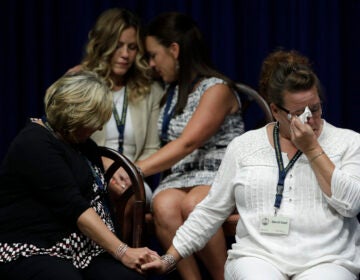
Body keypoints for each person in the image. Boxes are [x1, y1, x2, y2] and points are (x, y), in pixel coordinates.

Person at [140, 49, 360, 279]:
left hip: (327, 259)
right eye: (298, 113)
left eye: (314, 108)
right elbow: (211, 211)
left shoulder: (348, 142)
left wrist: (313, 149)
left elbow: (351, 204)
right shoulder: (244, 146)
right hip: (258, 257)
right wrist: (168, 258)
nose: (310, 120)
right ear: (275, 110)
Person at [0, 71, 158, 280]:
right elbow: (76, 208)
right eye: (95, 121)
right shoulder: (34, 143)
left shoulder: (82, 145)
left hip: (85, 250)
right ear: (75, 116)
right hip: (36, 247)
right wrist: (123, 251)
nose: (100, 127)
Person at [134, 12, 245, 279]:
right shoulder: (169, 91)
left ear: (174, 50)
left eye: (153, 55)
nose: (150, 64)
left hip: (218, 172)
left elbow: (188, 142)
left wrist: (132, 170)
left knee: (195, 205)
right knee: (163, 204)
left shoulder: (217, 89)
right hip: (181, 175)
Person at [68, 8, 164, 204]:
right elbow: (69, 141)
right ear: (103, 45)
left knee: (128, 194)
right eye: (118, 46)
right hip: (90, 172)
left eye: (132, 47)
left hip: (133, 177)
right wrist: (104, 168)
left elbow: (153, 147)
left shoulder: (152, 90)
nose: (125, 55)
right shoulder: (81, 83)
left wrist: (130, 172)